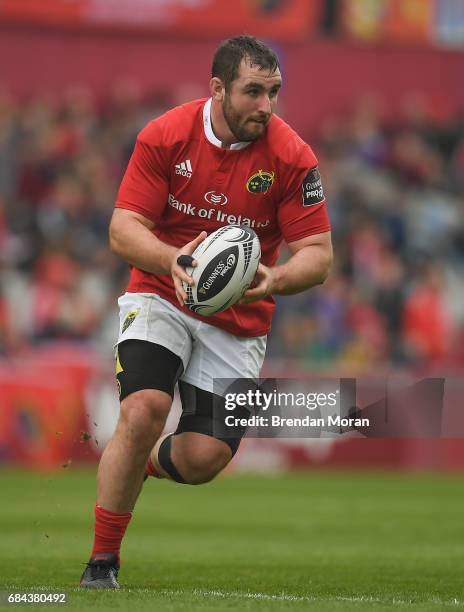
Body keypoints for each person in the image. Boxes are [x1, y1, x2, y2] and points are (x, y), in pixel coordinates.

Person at [80, 35, 332, 589]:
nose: (265, 106)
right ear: (217, 88)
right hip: (159, 292)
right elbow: (123, 230)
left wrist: (274, 279)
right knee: (144, 409)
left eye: (273, 92)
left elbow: (318, 257)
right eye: (252, 92)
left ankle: (137, 464)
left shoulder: (293, 156)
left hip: (240, 319)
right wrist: (175, 260)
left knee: (203, 460)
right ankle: (102, 563)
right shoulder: (165, 134)